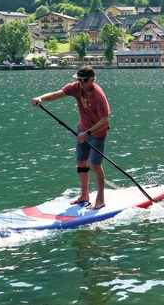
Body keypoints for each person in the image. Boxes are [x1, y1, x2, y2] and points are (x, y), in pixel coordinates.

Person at [31, 66, 111, 210]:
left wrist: (87, 134)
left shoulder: (98, 95)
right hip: (82, 129)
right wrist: (41, 98)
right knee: (81, 162)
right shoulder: (76, 88)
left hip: (98, 132)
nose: (80, 83)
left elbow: (105, 120)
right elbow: (58, 94)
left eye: (84, 80)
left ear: (92, 79)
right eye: (78, 79)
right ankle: (84, 195)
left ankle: (100, 198)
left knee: (95, 165)